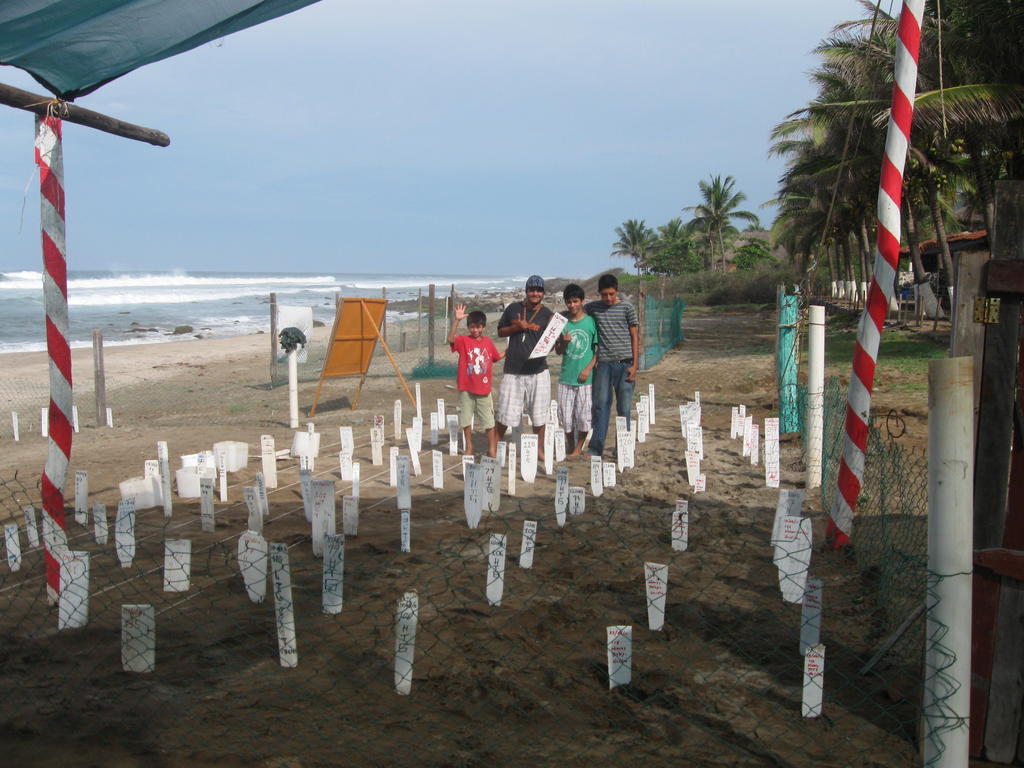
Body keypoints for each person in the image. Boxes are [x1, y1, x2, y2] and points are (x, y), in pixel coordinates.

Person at [494, 275, 555, 458]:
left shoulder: (548, 315)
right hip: (513, 370)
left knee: (539, 414)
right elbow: (500, 331)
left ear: (543, 293)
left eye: (539, 290)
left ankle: (539, 449)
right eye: (532, 289)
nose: (535, 293)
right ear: (526, 291)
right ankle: (494, 445)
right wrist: (517, 328)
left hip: (538, 371)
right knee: (505, 412)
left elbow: (551, 342)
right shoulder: (513, 308)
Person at [585, 273, 639, 458]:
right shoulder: (593, 308)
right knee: (600, 406)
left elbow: (634, 335)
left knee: (624, 408)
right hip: (604, 365)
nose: (608, 298)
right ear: (599, 293)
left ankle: (623, 449)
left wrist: (635, 365)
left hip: (625, 364)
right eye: (604, 294)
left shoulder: (627, 307)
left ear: (617, 291)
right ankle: (595, 448)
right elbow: (575, 313)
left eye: (611, 294)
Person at [448, 304, 503, 457]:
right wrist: (456, 320)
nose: (475, 330)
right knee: (465, 419)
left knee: (488, 421)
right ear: (468, 327)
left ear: (483, 327)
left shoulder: (488, 343)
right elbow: (450, 339)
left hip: (484, 389)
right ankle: (469, 447)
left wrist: (509, 351)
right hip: (466, 387)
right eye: (472, 327)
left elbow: (496, 358)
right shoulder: (463, 340)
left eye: (478, 327)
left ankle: (492, 448)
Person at [553, 283, 597, 459]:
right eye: (568, 302)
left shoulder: (591, 322)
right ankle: (570, 444)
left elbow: (598, 349)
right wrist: (563, 342)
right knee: (565, 416)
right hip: (566, 377)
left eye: (575, 301)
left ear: (582, 301)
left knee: (584, 415)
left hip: (585, 379)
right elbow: (558, 351)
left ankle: (579, 448)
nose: (572, 305)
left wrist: (588, 369)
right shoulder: (562, 324)